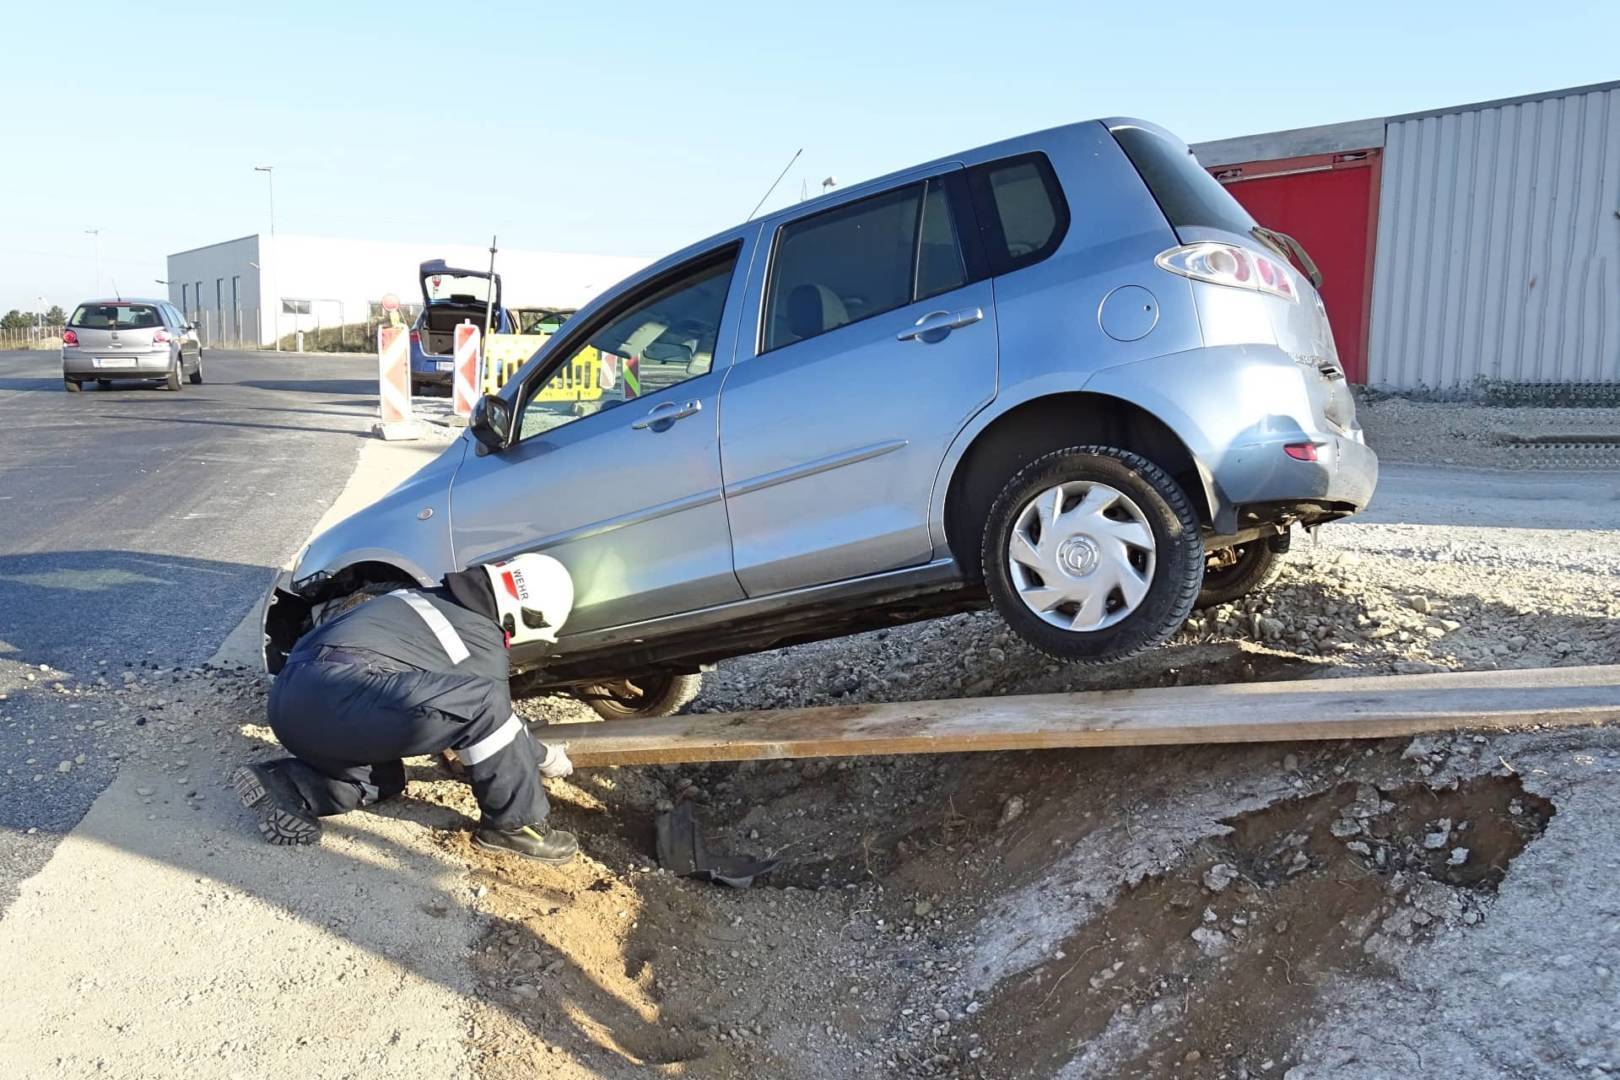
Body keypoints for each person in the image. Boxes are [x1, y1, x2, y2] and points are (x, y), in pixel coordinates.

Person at [232, 554, 580, 864]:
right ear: (527, 616)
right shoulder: (480, 641)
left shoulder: (420, 596)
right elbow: (498, 719)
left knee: (383, 780)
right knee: (485, 700)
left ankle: (286, 785)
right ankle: (514, 827)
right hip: (340, 702)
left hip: (290, 702)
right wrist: (546, 757)